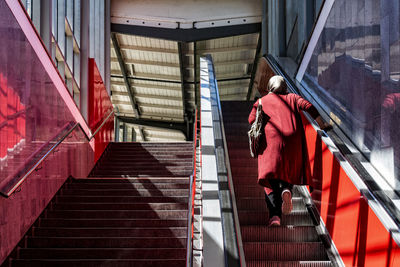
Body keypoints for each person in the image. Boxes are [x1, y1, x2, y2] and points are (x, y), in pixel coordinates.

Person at [248, 75, 330, 227]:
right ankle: (287, 189)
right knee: (289, 170)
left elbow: (251, 119)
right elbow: (309, 106)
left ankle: (275, 217)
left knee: (269, 180)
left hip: (270, 143)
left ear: (270, 87)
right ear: (284, 87)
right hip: (293, 141)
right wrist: (322, 124)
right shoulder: (293, 98)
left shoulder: (261, 101)